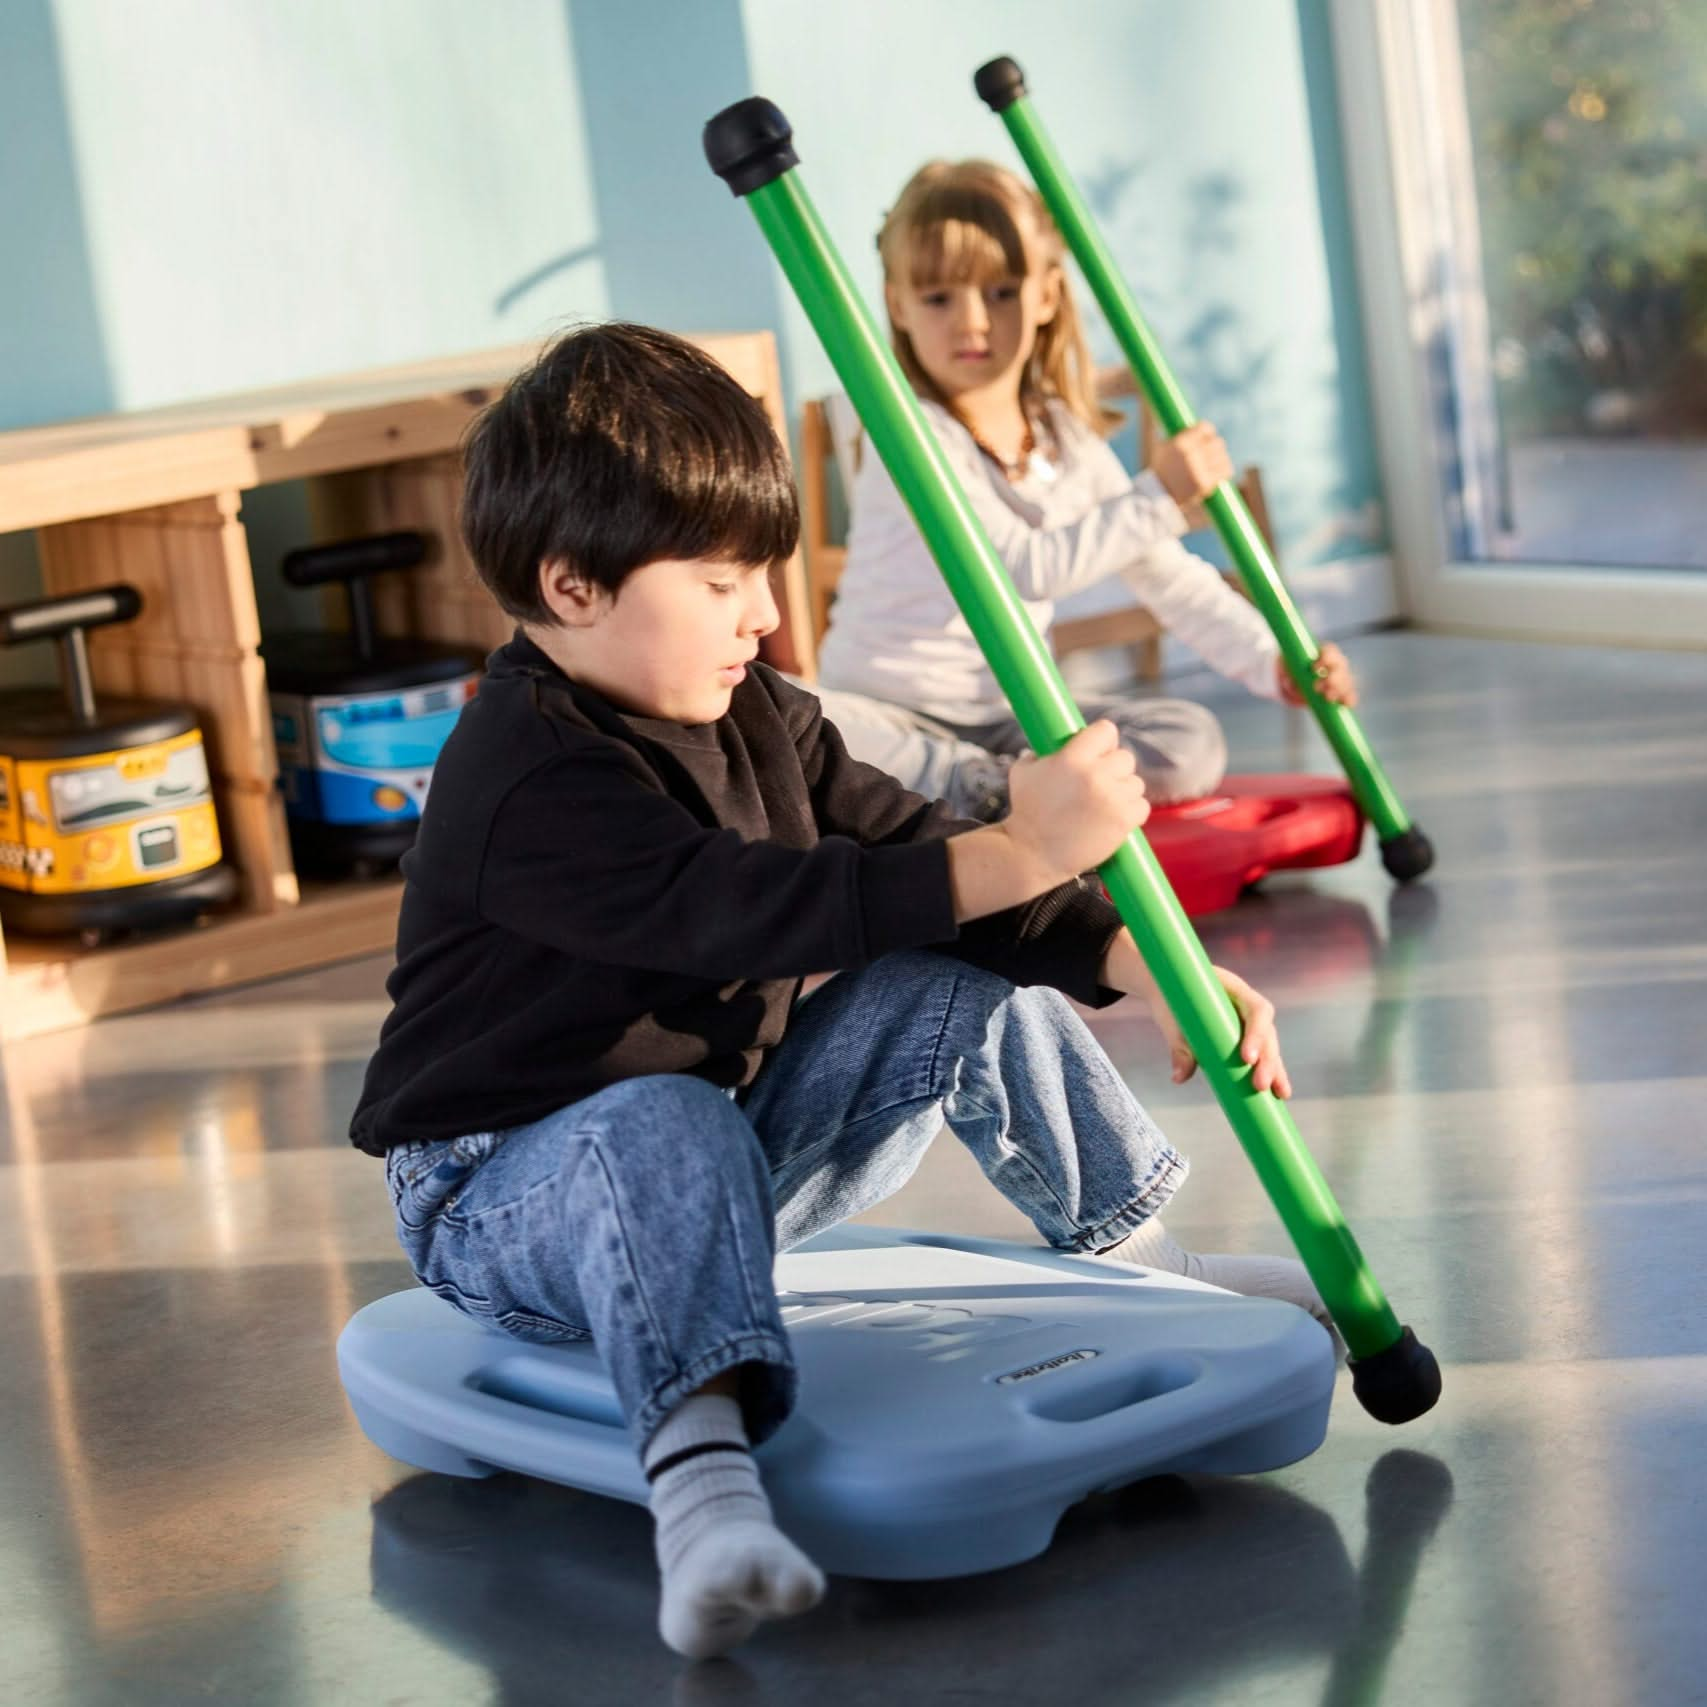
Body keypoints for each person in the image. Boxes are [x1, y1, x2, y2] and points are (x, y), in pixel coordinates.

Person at [350, 323, 1327, 1663]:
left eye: (760, 571)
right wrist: (1024, 838)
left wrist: (1141, 962)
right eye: (717, 580)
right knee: (656, 1114)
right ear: (571, 585)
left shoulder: (757, 707)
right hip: (503, 1193)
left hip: (714, 1144)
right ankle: (699, 1490)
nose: (762, 610)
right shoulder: (522, 775)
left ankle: (1140, 1261)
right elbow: (746, 906)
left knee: (940, 970)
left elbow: (906, 850)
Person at [815, 159, 1357, 811]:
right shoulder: (909, 437)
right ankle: (993, 786)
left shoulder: (1062, 437)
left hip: (1011, 715)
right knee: (815, 734)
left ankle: (993, 786)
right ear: (898, 304)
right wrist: (1159, 495)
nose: (972, 323)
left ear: (1045, 293)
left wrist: (1272, 661)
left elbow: (1169, 579)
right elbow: (1017, 570)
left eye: (1000, 292)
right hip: (888, 714)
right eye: (939, 298)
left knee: (1187, 740)